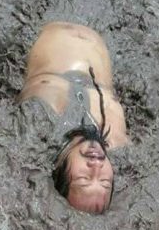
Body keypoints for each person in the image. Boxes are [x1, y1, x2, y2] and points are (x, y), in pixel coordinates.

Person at [17, 22, 130, 214]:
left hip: (39, 25)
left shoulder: (38, 130)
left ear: (60, 172)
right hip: (104, 28)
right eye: (105, 181)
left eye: (84, 179)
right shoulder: (117, 139)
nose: (96, 166)